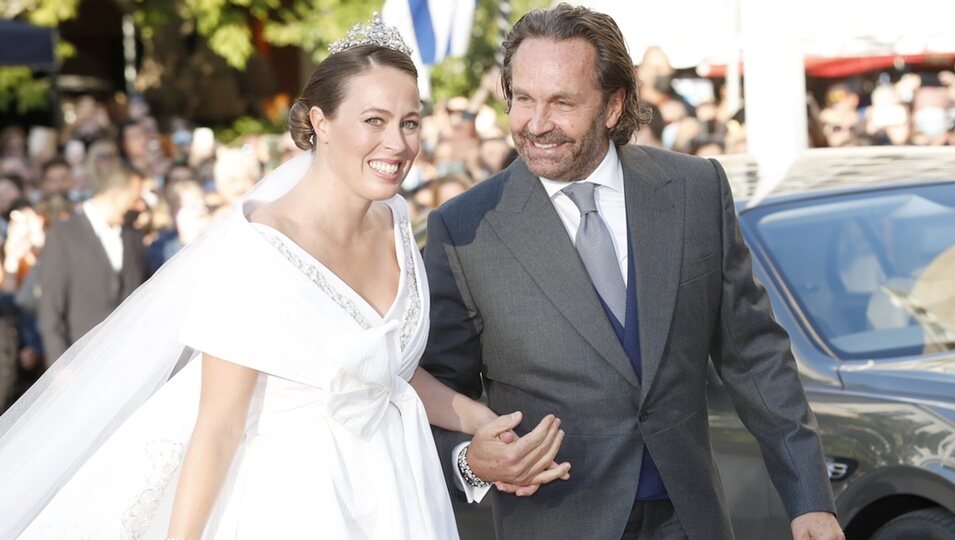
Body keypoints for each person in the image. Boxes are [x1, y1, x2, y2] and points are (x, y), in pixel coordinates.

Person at [0, 15, 567, 540]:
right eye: (374, 121)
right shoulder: (259, 249)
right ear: (319, 121)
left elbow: (384, 369)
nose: (398, 143)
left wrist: (481, 422)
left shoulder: (396, 222)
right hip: (296, 499)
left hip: (399, 487)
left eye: (409, 122)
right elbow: (216, 428)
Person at [420, 4, 844, 540]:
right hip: (557, 521)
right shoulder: (465, 228)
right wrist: (468, 460)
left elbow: (755, 356)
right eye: (522, 98)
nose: (535, 123)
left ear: (614, 105)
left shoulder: (695, 191)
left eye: (562, 102)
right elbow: (428, 391)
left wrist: (810, 500)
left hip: (689, 520)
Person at [37, 165, 148, 366]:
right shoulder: (64, 234)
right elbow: (51, 306)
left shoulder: (133, 235)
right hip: (81, 360)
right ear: (115, 194)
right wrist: (60, 365)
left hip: (129, 360)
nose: (139, 206)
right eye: (135, 198)